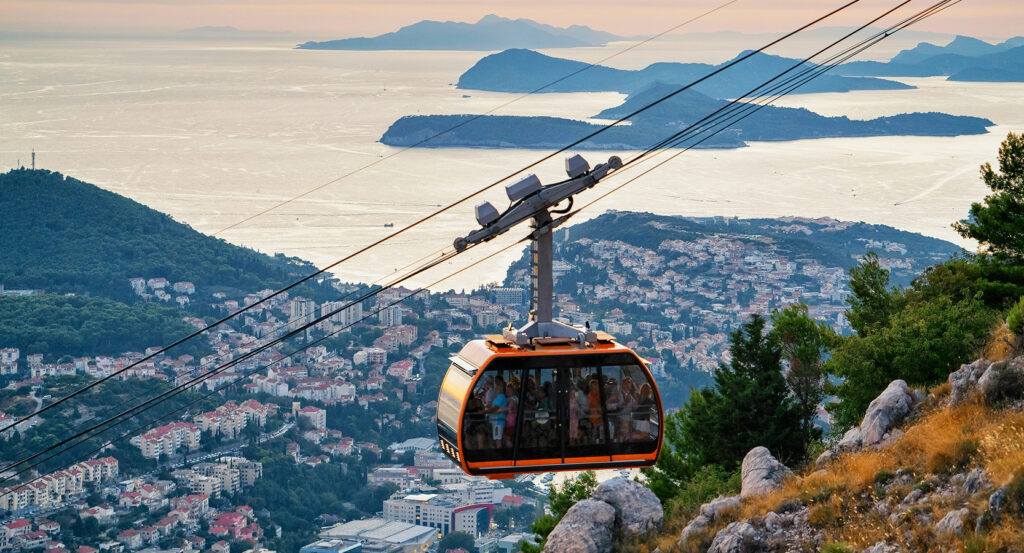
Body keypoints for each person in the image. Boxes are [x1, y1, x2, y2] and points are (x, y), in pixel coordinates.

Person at [488, 375, 507, 448]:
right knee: (496, 439)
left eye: (496, 390)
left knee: (498, 439)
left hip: (498, 422)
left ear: (499, 390)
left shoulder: (500, 397)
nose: (494, 391)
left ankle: (500, 455)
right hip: (495, 422)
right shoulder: (498, 397)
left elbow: (495, 410)